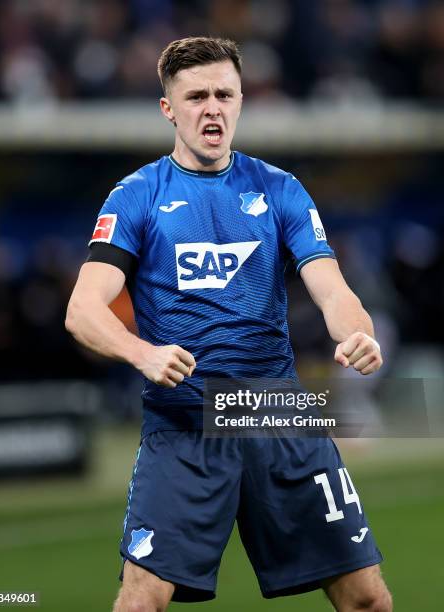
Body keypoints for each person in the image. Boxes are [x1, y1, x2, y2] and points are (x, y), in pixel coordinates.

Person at [66, 37, 392, 612]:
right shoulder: (138, 196)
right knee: (141, 601)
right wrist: (143, 353)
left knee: (367, 599)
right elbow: (83, 310)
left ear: (241, 101)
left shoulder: (281, 189)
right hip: (185, 424)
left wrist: (355, 331)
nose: (211, 107)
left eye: (224, 94)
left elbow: (333, 289)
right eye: (195, 96)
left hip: (278, 414)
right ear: (169, 108)